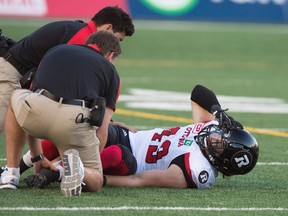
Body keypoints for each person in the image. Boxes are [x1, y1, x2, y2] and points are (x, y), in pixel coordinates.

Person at [18, 85, 259, 189]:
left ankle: (57, 173)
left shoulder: (199, 170)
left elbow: (141, 179)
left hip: (130, 161)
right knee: (77, 129)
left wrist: (98, 180)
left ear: (221, 162)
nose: (216, 138)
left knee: (112, 155)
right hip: (128, 136)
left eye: (221, 145)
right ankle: (16, 169)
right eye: (222, 135)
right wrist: (217, 111)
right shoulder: (211, 128)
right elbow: (198, 92)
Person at [0, 30, 122, 196]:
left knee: (16, 97)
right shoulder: (110, 70)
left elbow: (31, 93)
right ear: (110, 55)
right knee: (96, 180)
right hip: (75, 120)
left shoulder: (57, 50)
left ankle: (11, 174)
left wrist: (37, 157)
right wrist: (91, 160)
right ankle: (77, 170)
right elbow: (102, 130)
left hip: (39, 109)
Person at [0, 5, 135, 134]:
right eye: (118, 39)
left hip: (19, 74)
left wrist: (106, 119)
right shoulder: (82, 38)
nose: (116, 45)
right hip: (11, 74)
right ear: (108, 28)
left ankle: (34, 158)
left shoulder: (80, 32)